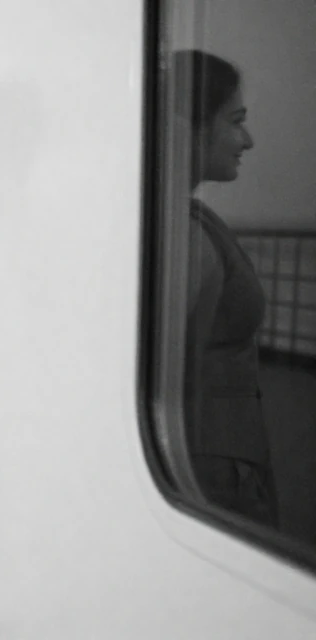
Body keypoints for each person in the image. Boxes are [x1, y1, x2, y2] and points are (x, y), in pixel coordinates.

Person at [172, 50, 278, 528]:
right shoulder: (185, 236)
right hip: (213, 472)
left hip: (222, 462)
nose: (247, 140)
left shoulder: (191, 220)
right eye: (235, 121)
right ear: (190, 128)